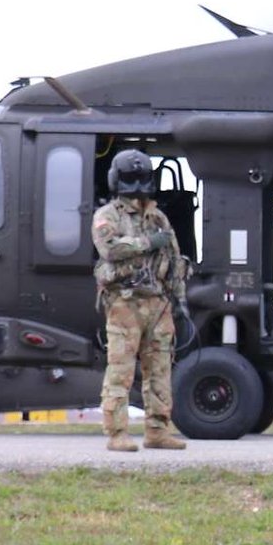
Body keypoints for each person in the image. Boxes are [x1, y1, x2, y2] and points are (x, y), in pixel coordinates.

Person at [92, 149, 187, 453]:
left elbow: (173, 260)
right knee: (120, 370)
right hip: (124, 302)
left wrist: (179, 300)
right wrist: (147, 243)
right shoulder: (108, 216)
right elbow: (110, 250)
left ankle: (157, 431)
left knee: (159, 369)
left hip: (158, 303)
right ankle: (117, 433)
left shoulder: (158, 218)